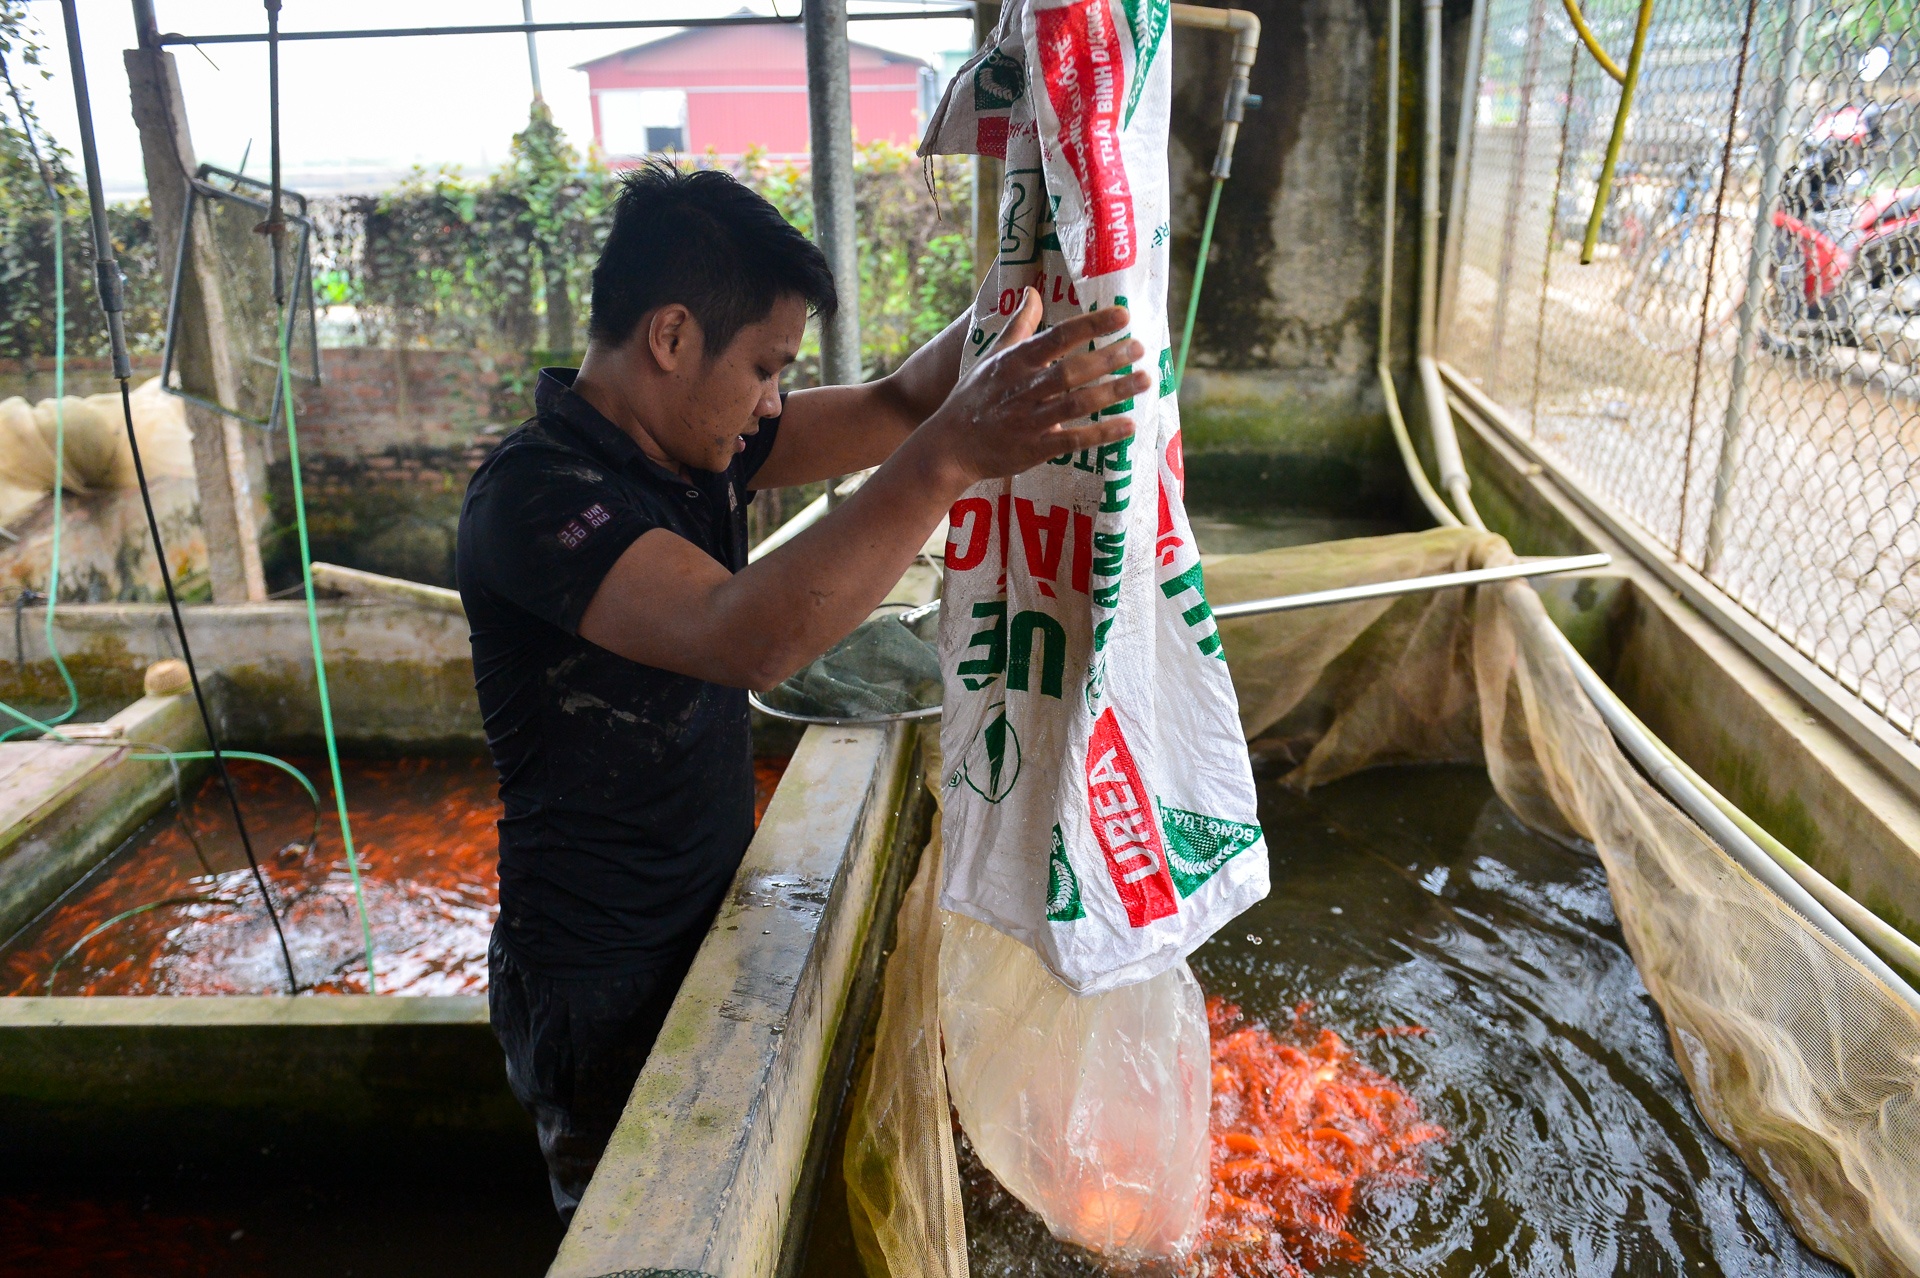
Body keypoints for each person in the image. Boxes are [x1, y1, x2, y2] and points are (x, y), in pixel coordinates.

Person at [455, 158, 1146, 1221]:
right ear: (672, 338)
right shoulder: (538, 496)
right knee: (634, 1223)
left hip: (698, 915)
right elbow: (743, 636)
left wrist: (1032, 264)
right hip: (595, 968)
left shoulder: (696, 445)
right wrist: (948, 460)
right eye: (767, 366)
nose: (776, 400)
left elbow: (901, 399)